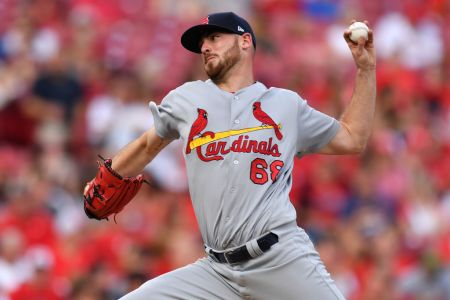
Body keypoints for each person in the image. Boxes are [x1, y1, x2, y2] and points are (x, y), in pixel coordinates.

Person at [104, 12, 376, 300]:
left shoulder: (285, 105)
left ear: (245, 41)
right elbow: (147, 145)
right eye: (202, 43)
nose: (205, 47)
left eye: (214, 38)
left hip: (280, 259)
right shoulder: (187, 99)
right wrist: (106, 176)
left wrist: (365, 70)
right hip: (215, 271)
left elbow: (353, 138)